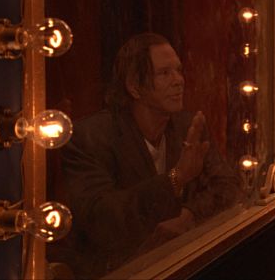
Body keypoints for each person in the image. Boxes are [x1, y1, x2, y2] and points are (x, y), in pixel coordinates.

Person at [57, 32, 241, 279]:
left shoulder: (187, 125)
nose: (178, 80)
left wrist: (189, 216)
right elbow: (102, 219)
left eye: (179, 70)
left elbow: (228, 186)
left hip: (185, 262)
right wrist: (176, 179)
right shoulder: (90, 137)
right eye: (164, 73)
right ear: (134, 86)